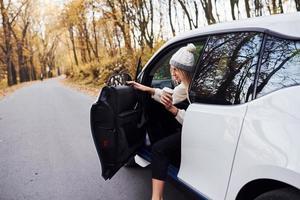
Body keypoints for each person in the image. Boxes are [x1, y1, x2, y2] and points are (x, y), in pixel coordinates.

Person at [127, 43, 196, 200]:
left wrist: (175, 111)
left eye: (175, 70)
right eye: (172, 69)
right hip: (195, 129)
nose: (173, 74)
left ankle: (156, 198)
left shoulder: (191, 89)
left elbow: (194, 120)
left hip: (197, 131)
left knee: (158, 149)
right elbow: (166, 96)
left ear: (184, 70)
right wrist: (146, 88)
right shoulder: (185, 86)